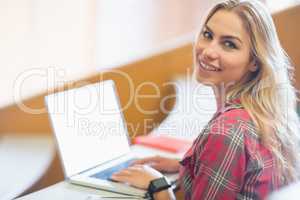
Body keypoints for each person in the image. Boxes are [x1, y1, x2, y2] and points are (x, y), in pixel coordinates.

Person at [111, 0, 300, 199]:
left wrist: (158, 185)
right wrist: (190, 165)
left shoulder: (228, 130)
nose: (208, 51)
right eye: (207, 35)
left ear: (255, 61)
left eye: (229, 44)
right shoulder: (269, 111)